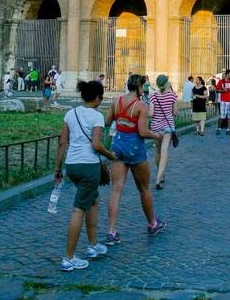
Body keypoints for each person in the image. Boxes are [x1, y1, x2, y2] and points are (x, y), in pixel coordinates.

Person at [54, 79, 116, 271]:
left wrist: (58, 168)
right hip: (89, 166)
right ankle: (69, 258)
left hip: (72, 165)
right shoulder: (97, 116)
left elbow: (63, 143)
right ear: (97, 98)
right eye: (101, 98)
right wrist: (109, 155)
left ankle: (92, 245)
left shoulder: (70, 113)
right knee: (78, 209)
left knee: (93, 200)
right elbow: (96, 145)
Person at [104, 74, 166, 242]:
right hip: (135, 147)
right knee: (144, 188)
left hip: (117, 145)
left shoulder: (116, 102)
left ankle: (111, 231)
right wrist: (158, 136)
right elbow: (143, 132)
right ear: (139, 87)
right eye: (143, 87)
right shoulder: (141, 105)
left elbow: (108, 121)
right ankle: (152, 223)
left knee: (116, 190)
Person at [149, 75, 178, 190]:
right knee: (164, 151)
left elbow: (151, 114)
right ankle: (158, 177)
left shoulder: (152, 97)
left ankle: (160, 175)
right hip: (168, 126)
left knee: (157, 151)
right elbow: (175, 113)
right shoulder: (172, 96)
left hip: (156, 126)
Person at [215, 70, 230, 136]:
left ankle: (228, 129)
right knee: (222, 116)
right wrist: (222, 91)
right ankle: (219, 128)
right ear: (227, 74)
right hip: (223, 100)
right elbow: (216, 90)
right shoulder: (221, 82)